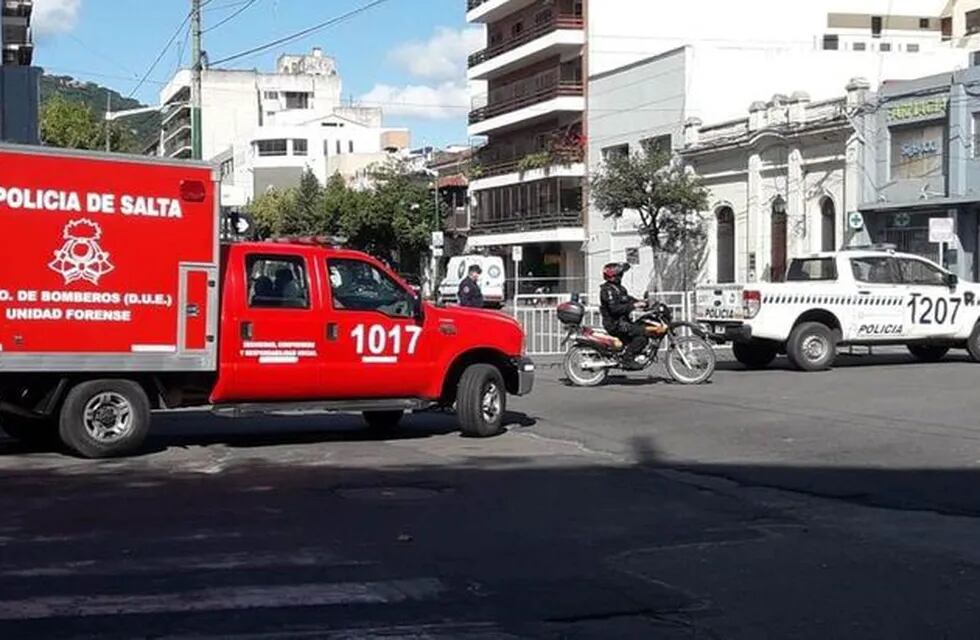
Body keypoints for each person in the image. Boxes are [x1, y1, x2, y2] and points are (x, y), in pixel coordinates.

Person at [599, 262, 648, 369]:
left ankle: (631, 353)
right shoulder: (607, 290)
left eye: (621, 274)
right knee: (642, 334)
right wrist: (634, 305)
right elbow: (614, 309)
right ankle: (627, 359)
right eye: (619, 274)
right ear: (612, 276)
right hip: (615, 324)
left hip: (623, 322)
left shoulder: (619, 289)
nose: (621, 276)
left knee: (643, 326)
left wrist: (642, 303)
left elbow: (628, 299)